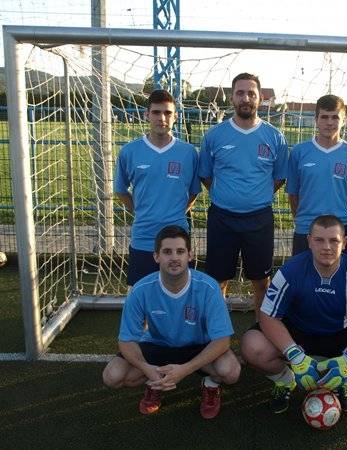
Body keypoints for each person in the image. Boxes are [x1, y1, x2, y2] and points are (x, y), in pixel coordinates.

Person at [240, 215, 347, 414]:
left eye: (334, 241)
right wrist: (294, 354)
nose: (326, 247)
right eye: (319, 240)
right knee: (251, 346)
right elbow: (268, 316)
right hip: (298, 331)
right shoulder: (290, 271)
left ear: (344, 243)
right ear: (309, 241)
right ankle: (286, 380)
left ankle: (340, 380)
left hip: (340, 333)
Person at [102, 225, 240, 419]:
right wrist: (147, 369)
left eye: (180, 251)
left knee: (231, 372)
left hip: (198, 346)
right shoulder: (141, 290)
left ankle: (210, 385)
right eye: (167, 252)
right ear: (156, 257)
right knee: (113, 376)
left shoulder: (209, 287)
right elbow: (126, 340)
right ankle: (155, 383)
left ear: (190, 255)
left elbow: (222, 341)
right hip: (158, 345)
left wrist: (184, 370)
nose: (174, 257)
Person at [199, 73, 288, 317]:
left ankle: (261, 328)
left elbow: (279, 177)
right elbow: (205, 175)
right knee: (218, 281)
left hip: (259, 219)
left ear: (260, 97)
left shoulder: (275, 137)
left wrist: (256, 195)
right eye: (240, 93)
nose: (246, 98)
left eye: (251, 93)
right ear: (232, 97)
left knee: (261, 281)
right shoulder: (214, 135)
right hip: (222, 218)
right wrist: (226, 194)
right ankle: (218, 330)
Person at [114, 89, 200, 286]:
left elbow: (194, 192)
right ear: (147, 115)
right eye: (156, 112)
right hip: (144, 236)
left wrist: (175, 212)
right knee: (139, 292)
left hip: (177, 238)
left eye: (168, 113)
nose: (162, 118)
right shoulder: (129, 151)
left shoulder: (188, 153)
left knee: (180, 291)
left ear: (175, 117)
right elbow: (120, 190)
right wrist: (140, 211)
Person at [286, 95, 347, 256]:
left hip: (340, 231)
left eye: (335, 117)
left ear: (344, 120)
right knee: (302, 271)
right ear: (316, 119)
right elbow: (293, 194)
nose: (329, 122)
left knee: (339, 272)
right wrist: (304, 219)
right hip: (306, 229)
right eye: (324, 117)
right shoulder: (299, 152)